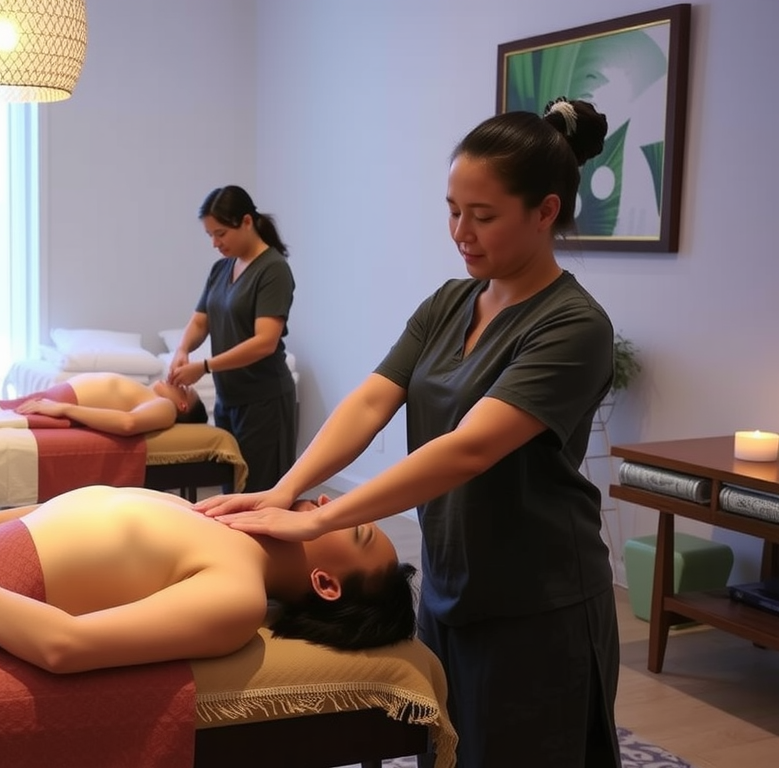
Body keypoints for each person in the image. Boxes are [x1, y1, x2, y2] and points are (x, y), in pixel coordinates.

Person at [195, 98, 620, 768]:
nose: (460, 232)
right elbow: (371, 401)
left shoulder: (573, 325)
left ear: (545, 211)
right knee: (446, 749)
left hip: (537, 600)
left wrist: (317, 522)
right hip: (450, 584)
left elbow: (470, 448)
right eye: (452, 210)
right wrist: (285, 490)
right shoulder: (450, 302)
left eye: (482, 216)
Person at [0, 484, 416, 674]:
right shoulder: (219, 517)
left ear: (326, 584)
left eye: (354, 530)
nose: (329, 502)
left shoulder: (238, 594)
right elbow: (77, 506)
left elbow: (64, 646)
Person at [167, 185, 297, 492]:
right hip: (229, 400)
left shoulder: (273, 269)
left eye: (221, 233)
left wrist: (205, 366)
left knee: (259, 495)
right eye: (210, 235)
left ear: (247, 222)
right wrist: (183, 349)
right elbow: (201, 320)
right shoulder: (221, 268)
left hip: (264, 403)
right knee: (232, 494)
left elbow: (265, 342)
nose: (215, 243)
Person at [14, 371, 207, 435]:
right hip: (51, 400)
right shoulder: (148, 395)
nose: (175, 381)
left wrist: (65, 408)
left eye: (184, 389)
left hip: (58, 406)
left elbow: (128, 423)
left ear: (182, 405)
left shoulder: (166, 406)